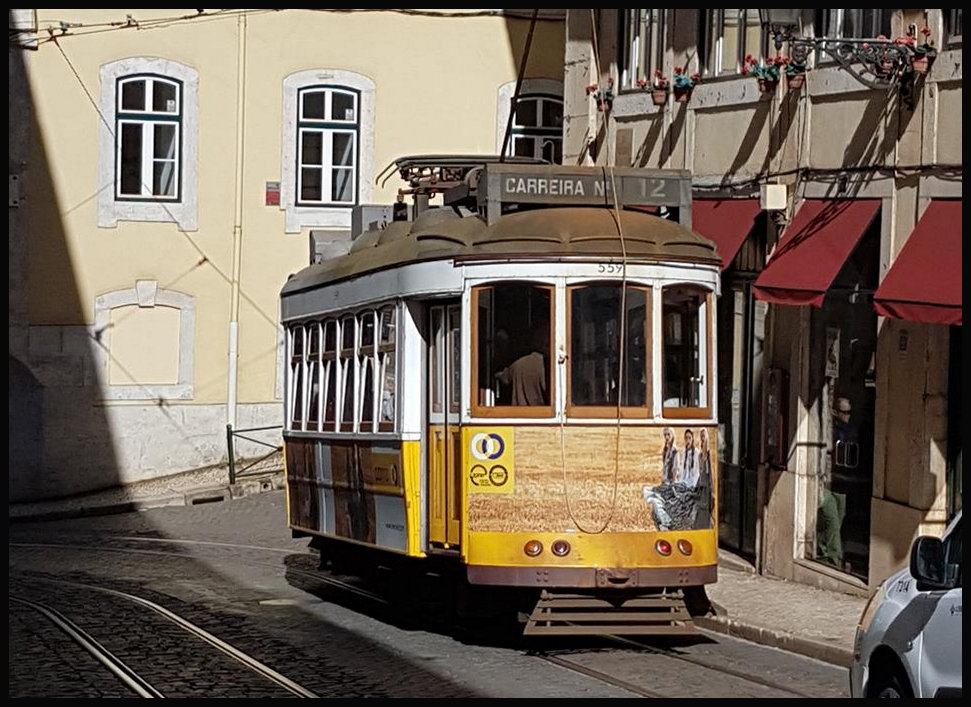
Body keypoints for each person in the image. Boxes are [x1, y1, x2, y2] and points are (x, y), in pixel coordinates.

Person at [495, 329, 548, 406]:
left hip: (519, 414)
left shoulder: (517, 364)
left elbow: (503, 377)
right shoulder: (544, 365)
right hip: (540, 414)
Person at [693, 428, 713, 529]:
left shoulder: (709, 454)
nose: (702, 438)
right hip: (701, 485)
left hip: (707, 487)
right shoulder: (700, 455)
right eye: (701, 436)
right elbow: (700, 472)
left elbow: (710, 473)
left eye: (704, 436)